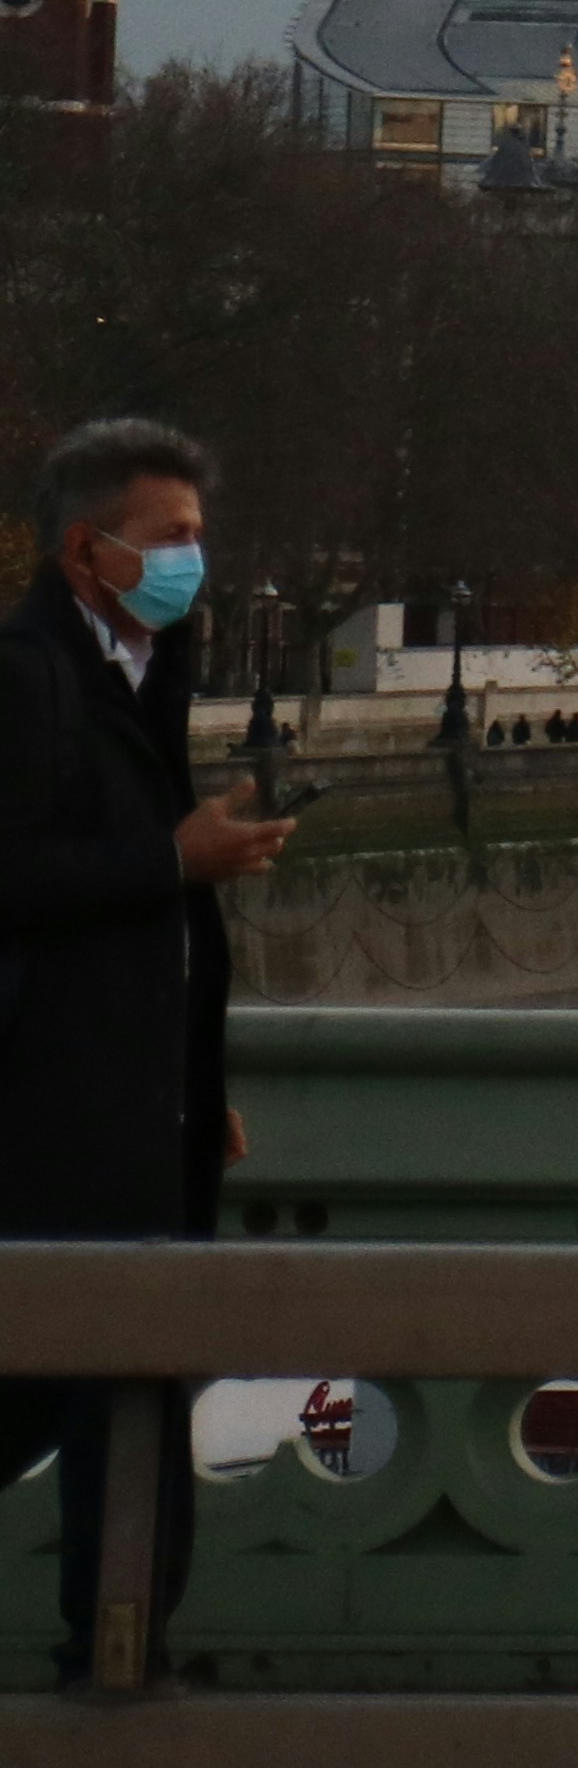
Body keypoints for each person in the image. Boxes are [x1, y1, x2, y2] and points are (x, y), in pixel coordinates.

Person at [0, 415, 291, 1687]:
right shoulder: (27, 677)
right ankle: (113, 1656)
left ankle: (119, 1648)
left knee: (124, 1380)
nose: (194, 560)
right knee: (104, 1375)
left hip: (130, 1108)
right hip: (54, 1110)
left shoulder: (138, 669)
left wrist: (193, 1093)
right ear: (86, 547)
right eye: (173, 536)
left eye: (199, 536)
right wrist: (173, 858)